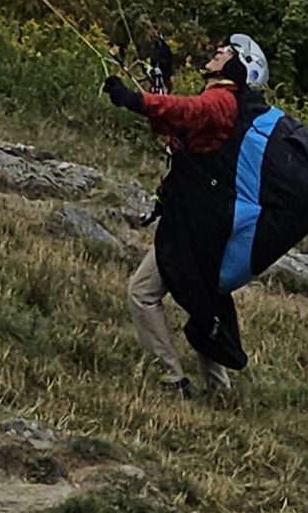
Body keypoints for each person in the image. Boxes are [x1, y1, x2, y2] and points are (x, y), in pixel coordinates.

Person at [105, 32, 271, 396]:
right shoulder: (223, 101)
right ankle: (219, 389)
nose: (218, 51)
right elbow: (172, 128)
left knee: (143, 292)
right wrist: (161, 77)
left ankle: (172, 380)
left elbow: (187, 113)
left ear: (237, 68)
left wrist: (135, 100)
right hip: (203, 220)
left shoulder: (223, 102)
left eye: (227, 51)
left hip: (196, 224)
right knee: (200, 302)